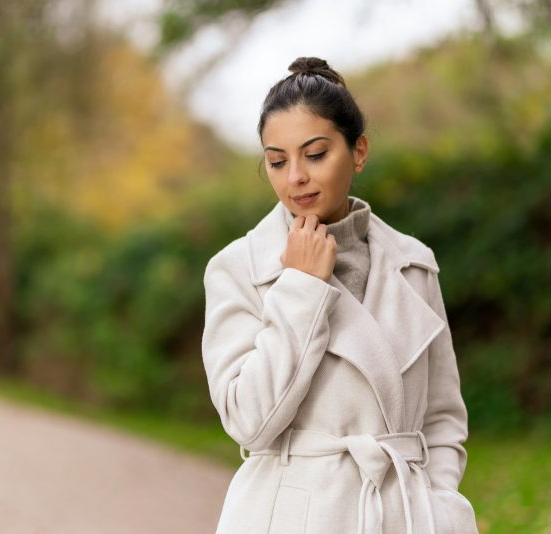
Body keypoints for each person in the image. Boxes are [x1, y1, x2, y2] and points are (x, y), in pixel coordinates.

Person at [201, 57, 479, 534]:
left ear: (358, 152)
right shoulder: (238, 269)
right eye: (277, 160)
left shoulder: (413, 263)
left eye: (315, 154)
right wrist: (302, 288)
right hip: (290, 516)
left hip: (404, 516)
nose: (295, 178)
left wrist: (439, 502)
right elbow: (249, 423)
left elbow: (442, 414)